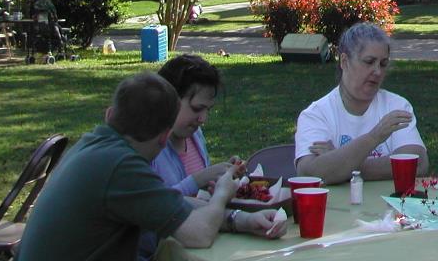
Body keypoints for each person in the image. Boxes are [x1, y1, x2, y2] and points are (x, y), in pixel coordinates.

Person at [19, 72, 286, 261]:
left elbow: (170, 203)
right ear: (164, 137)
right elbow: (199, 235)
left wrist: (241, 220)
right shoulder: (121, 166)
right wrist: (222, 194)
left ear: (110, 114)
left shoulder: (95, 144)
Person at [295, 21, 428, 185]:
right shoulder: (316, 114)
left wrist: (341, 162)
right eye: (369, 62)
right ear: (344, 62)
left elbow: (417, 163)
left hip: (389, 201)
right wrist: (374, 137)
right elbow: (309, 173)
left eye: (383, 64)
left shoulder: (397, 106)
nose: (377, 71)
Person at [152, 54, 238, 195]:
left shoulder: (194, 135)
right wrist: (199, 179)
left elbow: (199, 192)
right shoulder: (150, 150)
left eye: (208, 109)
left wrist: (221, 176)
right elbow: (155, 202)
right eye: (197, 108)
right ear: (168, 100)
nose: (203, 119)